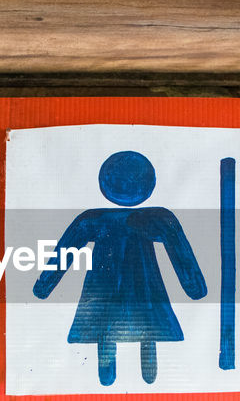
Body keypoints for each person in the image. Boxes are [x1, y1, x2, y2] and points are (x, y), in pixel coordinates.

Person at [33, 151, 207, 386]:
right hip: (144, 283)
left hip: (103, 284)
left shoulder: (95, 218)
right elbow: (180, 252)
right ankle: (146, 371)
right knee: (147, 326)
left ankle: (111, 373)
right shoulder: (156, 217)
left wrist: (44, 286)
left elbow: (65, 252)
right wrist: (194, 288)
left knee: (105, 326)